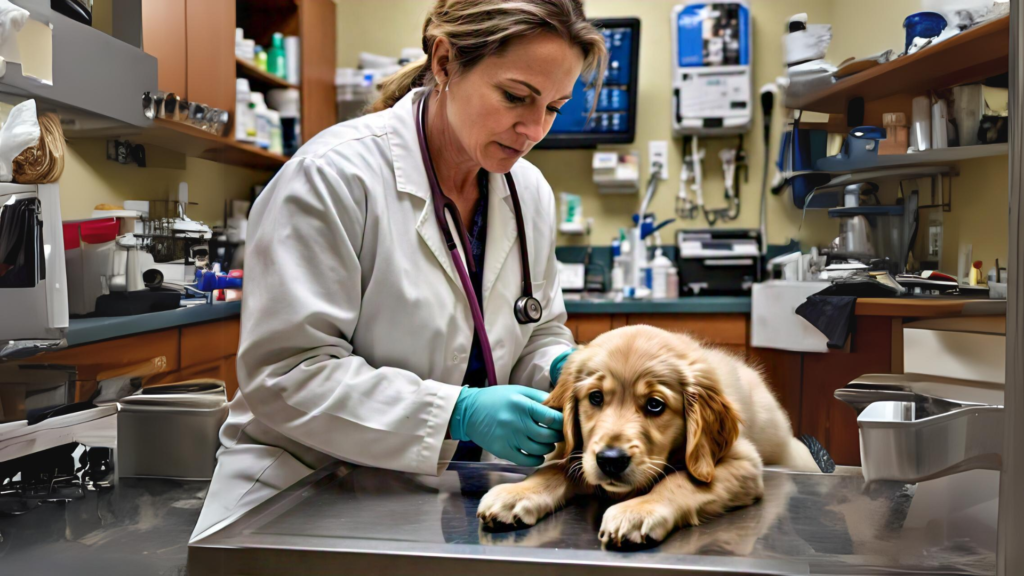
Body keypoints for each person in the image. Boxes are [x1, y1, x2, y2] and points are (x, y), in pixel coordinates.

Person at [191, 0, 607, 540]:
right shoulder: (332, 176)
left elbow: (538, 330)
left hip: (444, 495)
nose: (532, 129)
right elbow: (288, 374)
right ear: (444, 62)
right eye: (515, 97)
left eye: (554, 107)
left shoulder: (528, 192)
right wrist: (457, 412)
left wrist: (562, 368)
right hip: (304, 493)